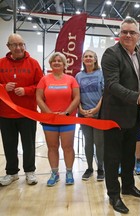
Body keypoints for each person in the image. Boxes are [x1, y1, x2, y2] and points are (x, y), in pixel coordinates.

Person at [100, 17, 140, 214]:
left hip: (134, 115)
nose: (128, 35)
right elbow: (112, 85)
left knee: (129, 155)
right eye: (124, 32)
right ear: (119, 34)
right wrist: (137, 97)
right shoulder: (111, 54)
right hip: (114, 116)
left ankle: (128, 186)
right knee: (112, 158)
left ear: (138, 36)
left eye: (132, 32)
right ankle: (114, 194)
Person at [0, 33, 43, 186]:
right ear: (8, 46)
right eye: (14, 44)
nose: (18, 47)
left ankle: (30, 171)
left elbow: (41, 86)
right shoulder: (1, 63)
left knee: (29, 144)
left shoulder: (33, 63)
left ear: (24, 45)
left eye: (21, 44)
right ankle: (11, 173)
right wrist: (4, 87)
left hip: (27, 113)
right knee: (9, 144)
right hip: (5, 114)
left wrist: (27, 90)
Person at [36, 52, 80, 187]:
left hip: (67, 120)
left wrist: (67, 113)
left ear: (64, 64)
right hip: (50, 120)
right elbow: (39, 98)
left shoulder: (71, 79)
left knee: (68, 147)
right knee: (52, 147)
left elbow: (77, 98)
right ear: (50, 64)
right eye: (54, 61)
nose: (56, 63)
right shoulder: (44, 79)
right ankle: (55, 173)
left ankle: (69, 172)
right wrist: (49, 114)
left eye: (59, 61)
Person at [75, 50, 105, 181]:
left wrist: (96, 109)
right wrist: (80, 109)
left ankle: (100, 168)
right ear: (82, 59)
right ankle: (89, 168)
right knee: (88, 142)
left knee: (99, 142)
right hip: (84, 115)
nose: (88, 58)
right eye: (85, 56)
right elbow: (76, 95)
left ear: (95, 59)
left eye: (90, 56)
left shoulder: (101, 73)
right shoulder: (78, 76)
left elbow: (105, 94)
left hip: (99, 114)